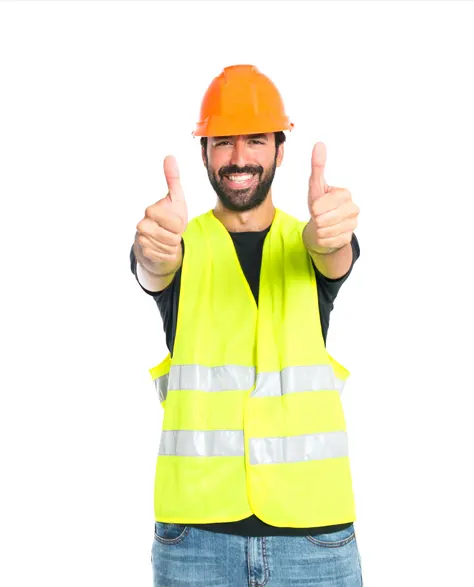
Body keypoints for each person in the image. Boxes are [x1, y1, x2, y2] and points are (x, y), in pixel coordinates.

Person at [130, 64, 363, 586]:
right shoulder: (180, 246)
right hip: (195, 541)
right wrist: (153, 253)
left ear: (280, 151)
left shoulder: (312, 243)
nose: (239, 158)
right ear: (205, 154)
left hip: (315, 539)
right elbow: (153, 268)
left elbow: (335, 258)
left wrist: (334, 237)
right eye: (223, 142)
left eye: (255, 140)